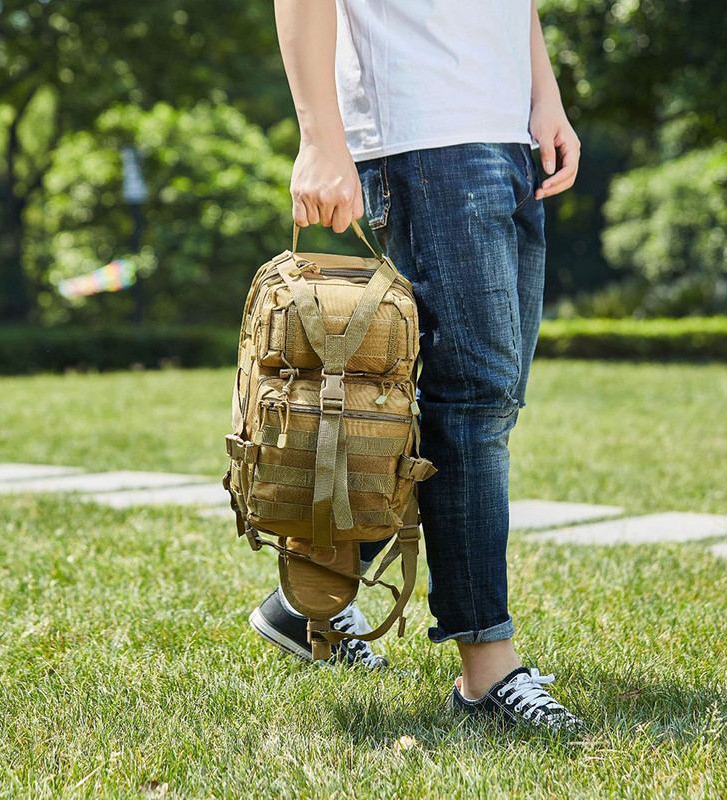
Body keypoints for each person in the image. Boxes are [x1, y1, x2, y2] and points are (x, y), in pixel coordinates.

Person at [250, 0, 582, 731]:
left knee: (478, 408)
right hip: (423, 137)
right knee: (470, 408)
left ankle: (311, 597)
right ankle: (487, 669)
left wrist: (544, 96)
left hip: (504, 137)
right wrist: (320, 138)